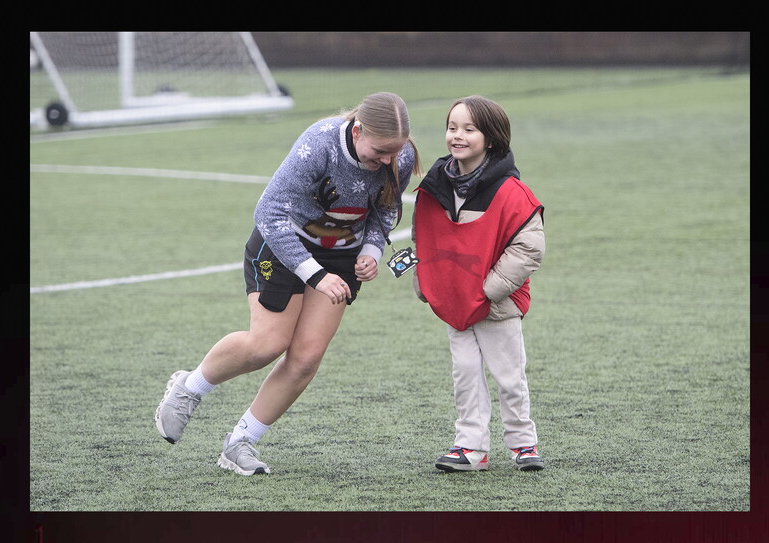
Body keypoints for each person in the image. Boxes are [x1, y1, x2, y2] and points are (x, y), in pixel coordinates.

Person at [155, 92, 421, 475]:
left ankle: (240, 443)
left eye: (393, 152)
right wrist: (316, 274)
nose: (386, 161)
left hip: (340, 255)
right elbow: (269, 211)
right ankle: (189, 388)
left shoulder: (400, 155)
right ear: (358, 130)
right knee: (266, 345)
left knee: (306, 358)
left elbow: (386, 208)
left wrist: (371, 250)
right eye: (379, 151)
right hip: (284, 242)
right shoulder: (320, 143)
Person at [411, 95, 546, 472]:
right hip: (455, 303)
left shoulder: (512, 191)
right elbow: (425, 236)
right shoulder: (435, 186)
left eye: (469, 129)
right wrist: (427, 280)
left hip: (497, 304)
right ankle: (470, 447)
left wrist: (488, 289)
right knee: (466, 374)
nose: (457, 135)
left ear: (491, 138)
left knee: (509, 377)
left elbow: (530, 248)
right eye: (452, 127)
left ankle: (523, 443)